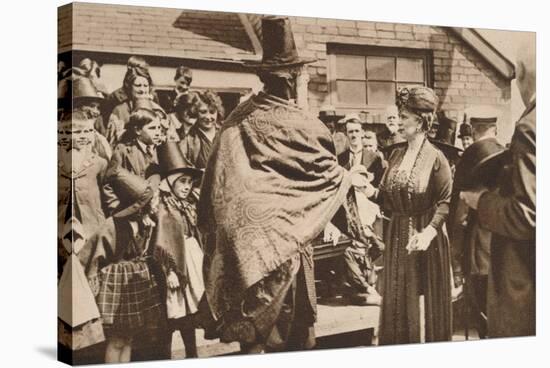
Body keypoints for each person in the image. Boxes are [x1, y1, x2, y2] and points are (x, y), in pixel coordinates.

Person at [196, 16, 368, 354]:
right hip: (286, 247)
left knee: (253, 338)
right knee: (292, 334)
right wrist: (351, 178)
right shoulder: (304, 124)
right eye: (301, 74)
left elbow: (214, 181)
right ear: (292, 79)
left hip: (242, 248)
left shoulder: (237, 117)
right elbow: (326, 175)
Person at [460, 41, 535, 337]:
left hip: (523, 280)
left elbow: (528, 214)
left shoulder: (531, 127)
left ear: (523, 75)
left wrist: (482, 201)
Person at [377, 86, 453, 344]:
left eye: (404, 118)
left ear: (420, 122)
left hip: (425, 239)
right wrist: (365, 188)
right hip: (397, 237)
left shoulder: (437, 158)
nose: (399, 122)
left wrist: (429, 232)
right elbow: (385, 197)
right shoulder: (396, 154)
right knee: (397, 301)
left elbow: (445, 202)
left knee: (420, 307)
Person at [79, 169, 167, 363]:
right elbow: (92, 253)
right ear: (138, 205)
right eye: (151, 200)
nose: (155, 203)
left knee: (129, 337)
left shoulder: (146, 223)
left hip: (135, 283)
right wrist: (93, 279)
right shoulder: (112, 226)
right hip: (116, 284)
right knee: (117, 338)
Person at [450, 108, 505, 339]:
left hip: (478, 247)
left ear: (472, 130)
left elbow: (460, 212)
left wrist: (455, 258)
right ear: (495, 128)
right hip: (505, 243)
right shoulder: (507, 153)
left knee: (482, 310)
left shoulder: (470, 157)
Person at [154, 142, 205, 358]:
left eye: (189, 182)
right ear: (170, 183)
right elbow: (163, 241)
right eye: (182, 182)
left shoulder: (188, 203)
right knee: (172, 313)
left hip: (192, 257)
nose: (186, 186)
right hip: (175, 262)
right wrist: (170, 270)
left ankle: (192, 355)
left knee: (190, 313)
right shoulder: (164, 207)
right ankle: (165, 357)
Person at [103, 108, 162, 215]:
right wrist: (116, 208)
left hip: (155, 211)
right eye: (152, 128)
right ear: (138, 130)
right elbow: (108, 182)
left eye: (159, 128)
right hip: (130, 211)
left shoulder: (161, 151)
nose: (158, 133)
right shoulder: (123, 150)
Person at [105, 62, 155, 145]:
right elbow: (113, 140)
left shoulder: (156, 108)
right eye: (138, 85)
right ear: (129, 87)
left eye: (145, 86)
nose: (142, 90)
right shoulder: (119, 110)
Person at [177, 90, 224, 169]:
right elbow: (183, 166)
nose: (208, 117)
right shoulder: (189, 139)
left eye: (212, 112)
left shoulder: (225, 133)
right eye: (203, 112)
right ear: (195, 112)